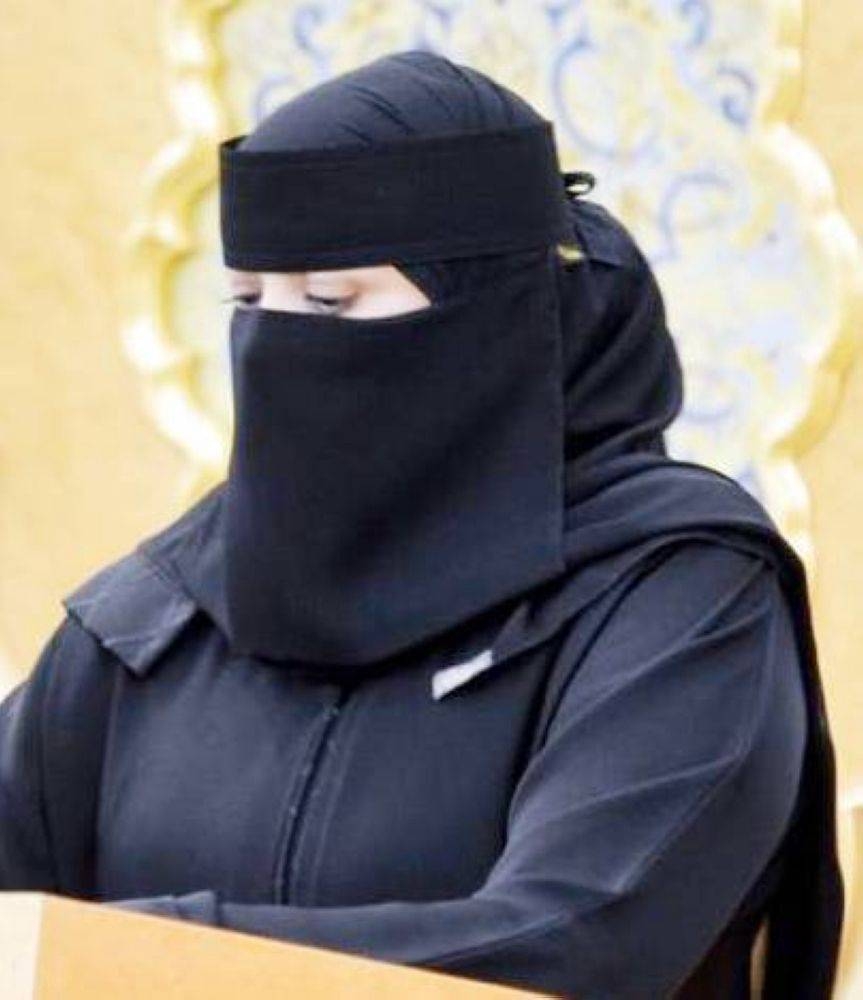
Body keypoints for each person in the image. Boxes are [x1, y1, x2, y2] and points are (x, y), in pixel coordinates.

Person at [0, 49, 843, 999]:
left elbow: (577, 944)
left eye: (330, 300)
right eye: (247, 301)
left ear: (490, 312)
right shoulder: (158, 623)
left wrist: (142, 956)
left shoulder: (675, 601)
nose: (278, 342)